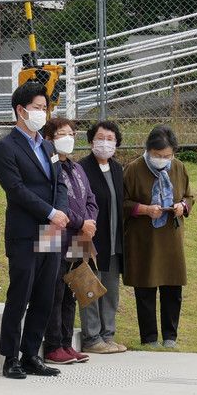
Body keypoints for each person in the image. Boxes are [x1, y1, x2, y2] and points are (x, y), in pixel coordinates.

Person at [0, 81, 69, 380]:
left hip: (50, 230)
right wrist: (50, 212)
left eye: (44, 108)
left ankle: (31, 354)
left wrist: (59, 211)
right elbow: (16, 189)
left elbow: (59, 183)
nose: (42, 113)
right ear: (20, 110)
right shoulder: (5, 147)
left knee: (45, 294)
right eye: (37, 108)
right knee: (20, 293)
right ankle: (10, 357)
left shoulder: (48, 146)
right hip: (25, 231)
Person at [122, 125, 192, 349]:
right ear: (148, 150)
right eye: (157, 155)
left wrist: (182, 206)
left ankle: (170, 336)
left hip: (171, 236)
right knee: (145, 286)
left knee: (173, 285)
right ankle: (149, 337)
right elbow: (121, 203)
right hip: (143, 238)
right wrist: (144, 209)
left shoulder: (179, 167)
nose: (162, 159)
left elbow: (189, 196)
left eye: (167, 155)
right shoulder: (133, 169)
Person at [41, 117, 97, 365]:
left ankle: (66, 343)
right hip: (52, 234)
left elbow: (91, 199)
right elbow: (55, 204)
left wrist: (90, 223)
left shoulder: (77, 168)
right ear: (49, 139)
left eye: (72, 134)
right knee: (52, 290)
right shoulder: (47, 167)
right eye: (62, 134)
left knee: (71, 291)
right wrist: (81, 222)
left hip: (80, 235)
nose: (68, 139)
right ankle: (52, 345)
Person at [79, 120, 127, 354]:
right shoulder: (81, 168)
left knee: (110, 290)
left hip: (113, 240)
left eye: (110, 139)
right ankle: (91, 338)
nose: (105, 143)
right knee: (89, 288)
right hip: (87, 239)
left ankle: (108, 335)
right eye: (100, 138)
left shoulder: (117, 168)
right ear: (91, 141)